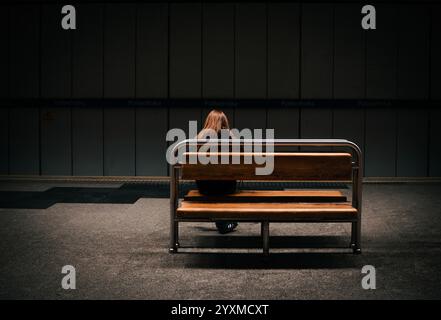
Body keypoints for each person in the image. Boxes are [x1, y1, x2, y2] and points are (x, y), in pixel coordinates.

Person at [196, 109, 238, 234]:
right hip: (227, 188)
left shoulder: (199, 138)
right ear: (225, 122)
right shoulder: (229, 138)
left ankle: (222, 220)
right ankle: (223, 221)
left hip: (205, 188)